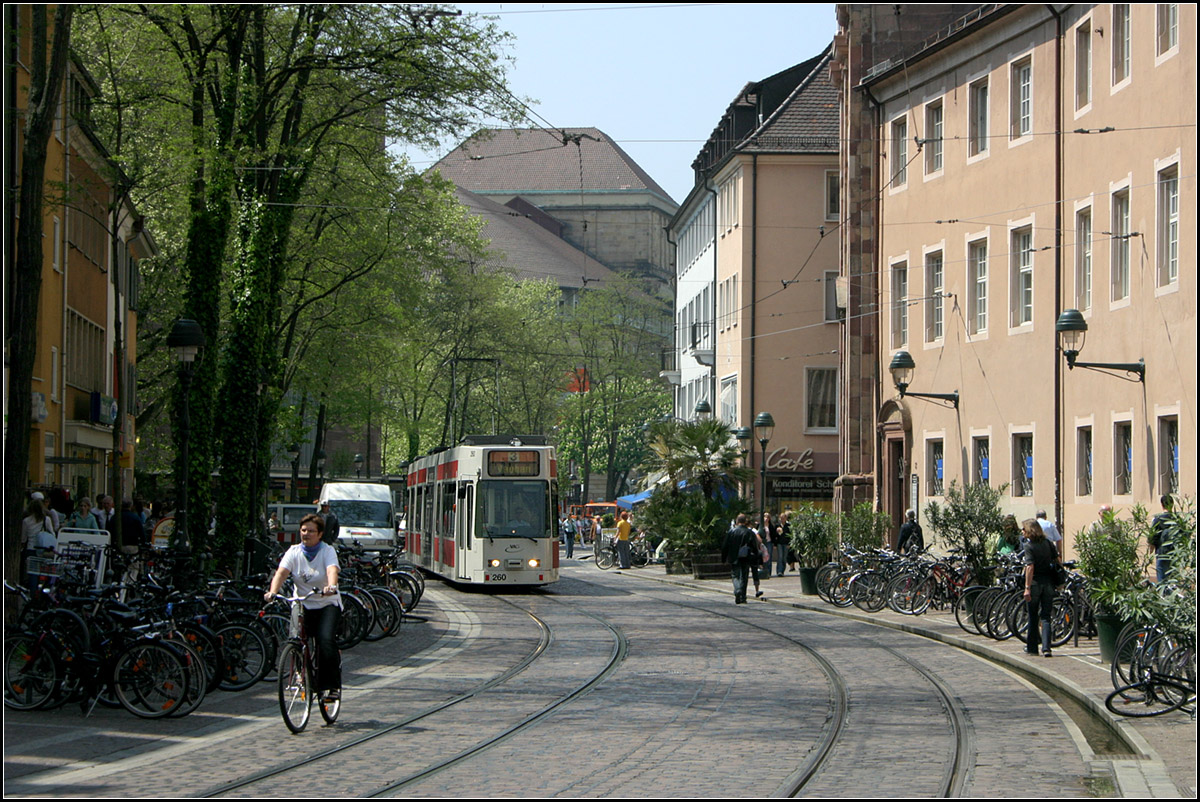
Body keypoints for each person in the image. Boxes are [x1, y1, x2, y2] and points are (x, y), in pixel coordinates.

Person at [265, 514, 343, 702]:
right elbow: (282, 572)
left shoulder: (327, 551)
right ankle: (301, 673)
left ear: (320, 534)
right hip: (302, 603)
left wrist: (331, 587)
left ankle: (331, 686)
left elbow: (332, 570)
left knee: (325, 640)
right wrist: (272, 592)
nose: (306, 534)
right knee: (296, 640)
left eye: (311, 531)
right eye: (303, 530)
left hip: (326, 603)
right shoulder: (293, 551)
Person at [1022, 518, 1057, 657]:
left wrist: (1027, 587)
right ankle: (1047, 647)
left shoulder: (1029, 546)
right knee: (1046, 616)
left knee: (1033, 615)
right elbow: (1056, 560)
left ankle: (1032, 647)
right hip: (1048, 582)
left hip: (1036, 583)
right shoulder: (1047, 543)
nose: (1022, 531)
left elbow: (1030, 567)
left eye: (1024, 529)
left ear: (1029, 530)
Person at [723, 514, 757, 604]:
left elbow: (725, 545)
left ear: (737, 521)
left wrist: (724, 558)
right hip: (746, 556)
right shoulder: (749, 532)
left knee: (735, 575)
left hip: (734, 556)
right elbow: (754, 546)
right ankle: (743, 597)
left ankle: (737, 590)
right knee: (744, 576)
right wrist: (756, 557)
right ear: (745, 522)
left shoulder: (731, 531)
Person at [1150, 495, 1175, 583]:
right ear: (1172, 504)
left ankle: (1163, 596)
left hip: (1161, 553)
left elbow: (1152, 537)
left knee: (1162, 580)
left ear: (1162, 504)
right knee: (1173, 579)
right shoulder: (1177, 519)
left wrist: (1150, 551)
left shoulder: (1157, 519)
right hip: (1174, 553)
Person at [774, 512, 791, 577]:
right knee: (780, 557)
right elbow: (775, 536)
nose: (782, 519)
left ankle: (783, 570)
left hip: (786, 543)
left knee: (784, 558)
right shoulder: (777, 525)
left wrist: (789, 544)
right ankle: (779, 571)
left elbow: (790, 535)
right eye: (781, 518)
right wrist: (775, 544)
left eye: (783, 518)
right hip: (779, 543)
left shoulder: (788, 525)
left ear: (785, 518)